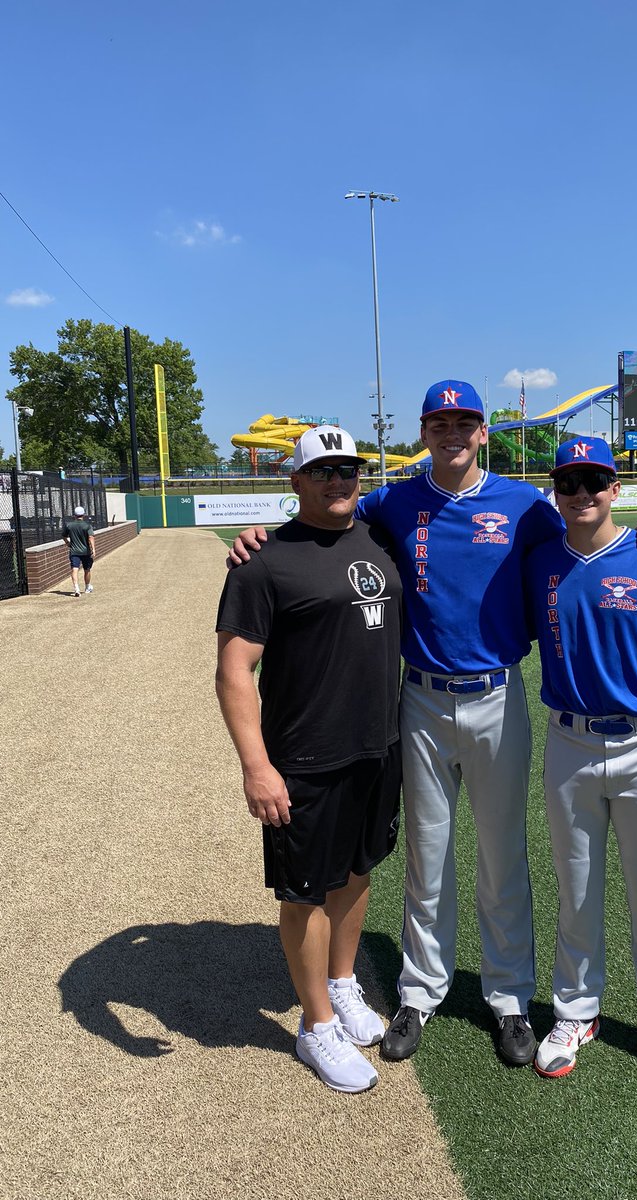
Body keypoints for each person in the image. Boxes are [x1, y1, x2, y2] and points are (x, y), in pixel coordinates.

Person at [229, 382, 637, 1068]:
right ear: (425, 430)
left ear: (482, 432)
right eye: (439, 421)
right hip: (418, 699)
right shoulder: (392, 501)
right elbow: (323, 517)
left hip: (496, 695)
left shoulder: (525, 506)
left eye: (464, 421)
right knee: (426, 854)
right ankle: (420, 990)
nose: (451, 431)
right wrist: (260, 531)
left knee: (502, 854)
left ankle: (508, 998)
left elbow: (592, 531)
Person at [215, 425, 403, 1094]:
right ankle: (315, 1024)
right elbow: (234, 670)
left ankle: (343, 985)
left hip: (378, 746)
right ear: (294, 482)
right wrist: (256, 767)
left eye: (347, 467)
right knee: (304, 895)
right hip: (303, 758)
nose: (337, 479)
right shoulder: (264, 561)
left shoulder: (378, 537)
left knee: (355, 874)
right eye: (321, 470)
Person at [524, 436, 637, 1092]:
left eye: (594, 481)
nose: (582, 493)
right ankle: (576, 1013)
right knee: (575, 892)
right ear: (556, 490)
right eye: (569, 482)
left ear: (616, 487)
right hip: (569, 745)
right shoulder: (540, 561)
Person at [63, 505, 95, 596]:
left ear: (74, 515)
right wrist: (93, 549)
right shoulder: (87, 526)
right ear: (83, 515)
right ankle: (87, 587)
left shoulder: (69, 525)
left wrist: (67, 543)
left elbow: (64, 536)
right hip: (86, 551)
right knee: (87, 569)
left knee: (74, 569)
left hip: (74, 551)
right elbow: (91, 537)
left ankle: (76, 589)